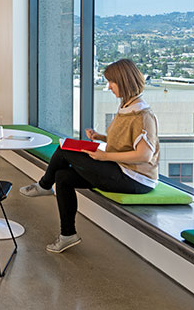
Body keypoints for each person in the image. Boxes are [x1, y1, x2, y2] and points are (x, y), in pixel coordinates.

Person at [20, 59, 159, 254]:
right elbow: (124, 141)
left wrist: (105, 156)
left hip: (135, 178)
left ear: (125, 81)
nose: (109, 87)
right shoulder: (126, 106)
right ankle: (68, 234)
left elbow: (144, 155)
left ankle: (43, 185)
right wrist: (100, 137)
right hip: (120, 170)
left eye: (112, 82)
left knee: (65, 150)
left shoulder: (143, 115)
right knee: (62, 177)